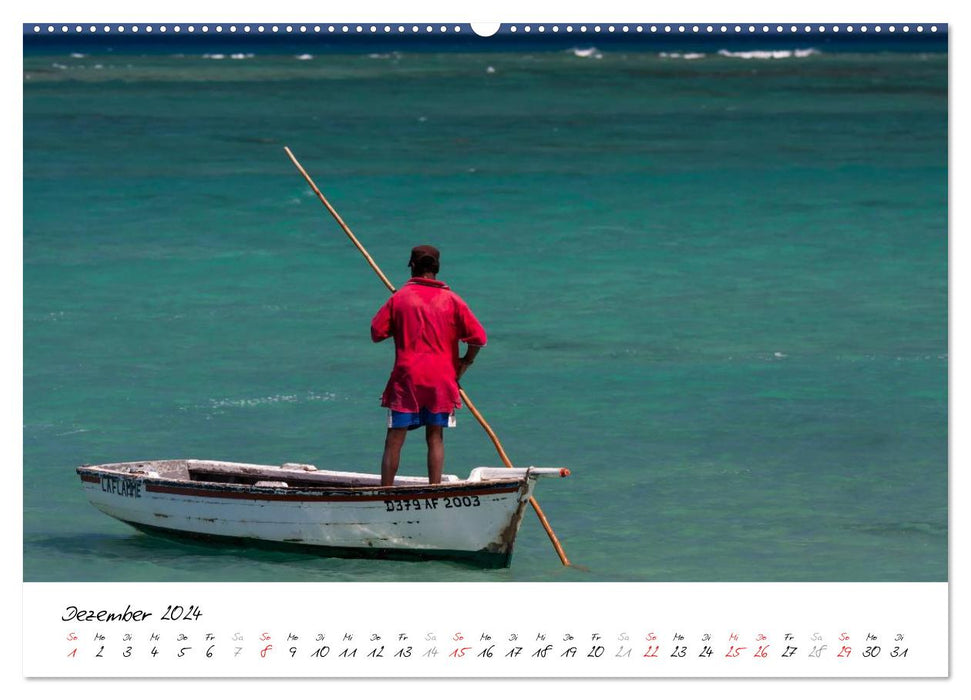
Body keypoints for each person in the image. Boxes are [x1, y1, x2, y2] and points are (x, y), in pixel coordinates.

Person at [370, 245, 487, 487]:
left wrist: (398, 318)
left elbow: (376, 332)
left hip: (407, 378)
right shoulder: (452, 300)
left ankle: (386, 492)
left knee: (394, 438)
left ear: (412, 267)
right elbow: (478, 339)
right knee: (435, 437)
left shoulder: (400, 298)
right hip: (441, 379)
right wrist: (466, 362)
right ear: (436, 269)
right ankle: (433, 490)